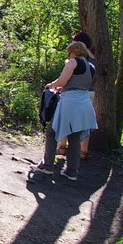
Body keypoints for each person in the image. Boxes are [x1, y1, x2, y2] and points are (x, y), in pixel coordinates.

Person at [34, 40, 97, 181]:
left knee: (51, 132)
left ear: (73, 51)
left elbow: (62, 81)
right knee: (74, 137)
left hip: (71, 103)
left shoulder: (72, 62)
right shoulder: (91, 66)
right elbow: (79, 83)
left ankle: (48, 166)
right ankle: (72, 171)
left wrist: (51, 85)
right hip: (84, 102)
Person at [57, 31, 95, 160]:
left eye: (74, 41)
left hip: (74, 93)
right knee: (84, 123)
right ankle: (83, 152)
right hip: (89, 93)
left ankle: (62, 147)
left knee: (66, 119)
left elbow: (66, 79)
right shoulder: (93, 59)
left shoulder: (74, 60)